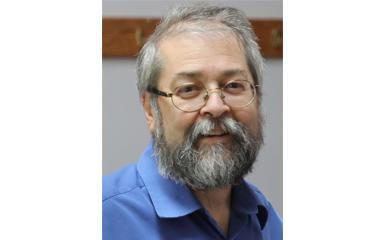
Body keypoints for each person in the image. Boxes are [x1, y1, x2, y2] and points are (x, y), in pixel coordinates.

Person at [103, 2, 282, 240]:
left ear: (257, 98)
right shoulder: (104, 218)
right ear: (150, 109)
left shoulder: (265, 220)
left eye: (234, 86)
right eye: (189, 89)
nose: (216, 106)